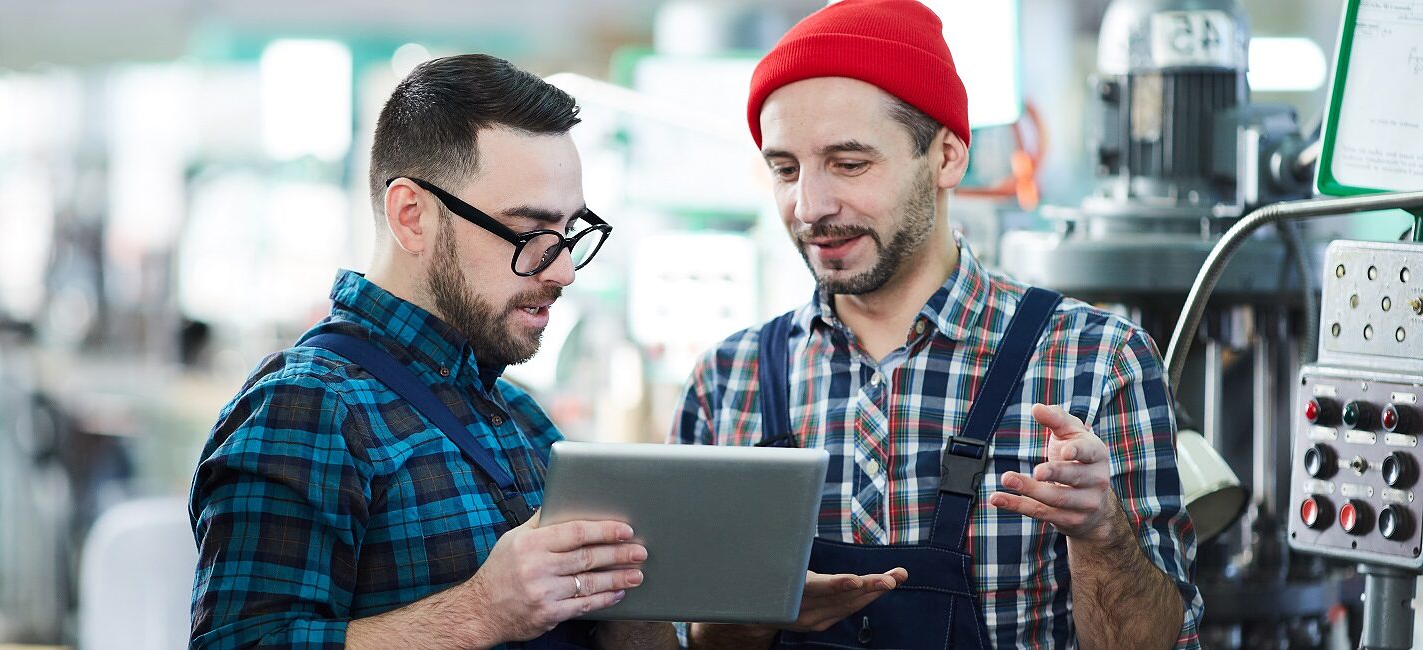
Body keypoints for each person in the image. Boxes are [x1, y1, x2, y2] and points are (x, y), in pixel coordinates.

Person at [670, 1, 1202, 648]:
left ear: (946, 156)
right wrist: (751, 612)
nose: (809, 206)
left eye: (849, 163)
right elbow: (695, 638)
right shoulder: (726, 384)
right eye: (786, 169)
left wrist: (1102, 534)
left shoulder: (1094, 363)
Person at [189, 54, 675, 649]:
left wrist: (664, 606)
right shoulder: (308, 408)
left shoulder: (525, 420)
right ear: (411, 217)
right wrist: (479, 612)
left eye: (570, 231)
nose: (565, 270)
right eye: (530, 234)